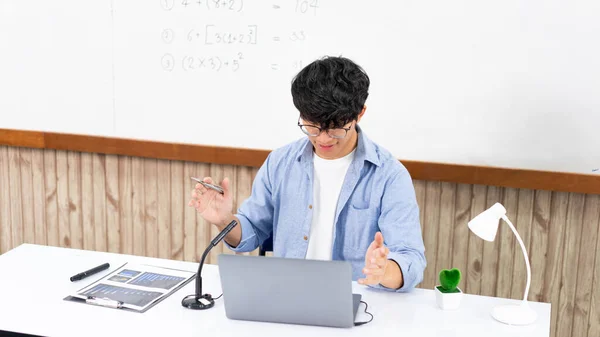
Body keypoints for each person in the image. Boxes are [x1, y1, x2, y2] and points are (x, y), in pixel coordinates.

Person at [188, 56, 426, 292]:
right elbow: (251, 233)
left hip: (357, 300)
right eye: (312, 125)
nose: (322, 138)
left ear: (360, 114)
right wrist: (224, 220)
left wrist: (385, 272)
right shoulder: (280, 163)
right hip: (286, 294)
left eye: (335, 128)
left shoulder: (389, 176)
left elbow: (411, 260)